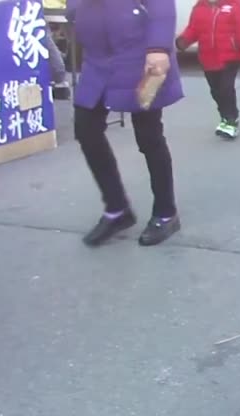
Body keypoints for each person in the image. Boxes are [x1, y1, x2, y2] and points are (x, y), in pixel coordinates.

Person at [70, 0, 183, 247]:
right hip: (97, 60)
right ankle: (117, 208)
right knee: (85, 129)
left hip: (140, 56)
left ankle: (166, 212)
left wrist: (159, 47)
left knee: (149, 137)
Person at [176, 0, 240, 140]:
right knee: (216, 90)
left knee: (226, 88)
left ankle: (232, 119)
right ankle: (224, 117)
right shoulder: (199, 8)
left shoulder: (235, 7)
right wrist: (183, 40)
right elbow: (193, 29)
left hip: (229, 57)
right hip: (207, 58)